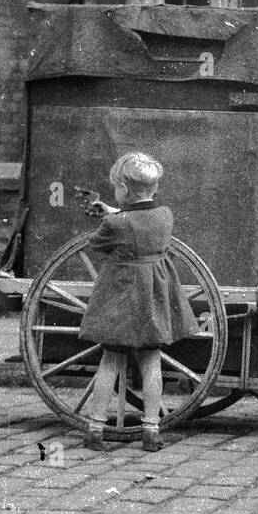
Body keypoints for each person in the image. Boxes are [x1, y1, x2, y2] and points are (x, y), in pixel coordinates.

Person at [77, 152, 199, 453]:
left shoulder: (116, 223)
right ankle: (151, 431)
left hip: (122, 301)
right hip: (153, 301)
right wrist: (113, 213)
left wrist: (109, 215)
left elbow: (99, 242)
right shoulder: (165, 215)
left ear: (122, 189)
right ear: (154, 188)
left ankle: (95, 430)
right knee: (151, 363)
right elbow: (135, 221)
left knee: (110, 363)